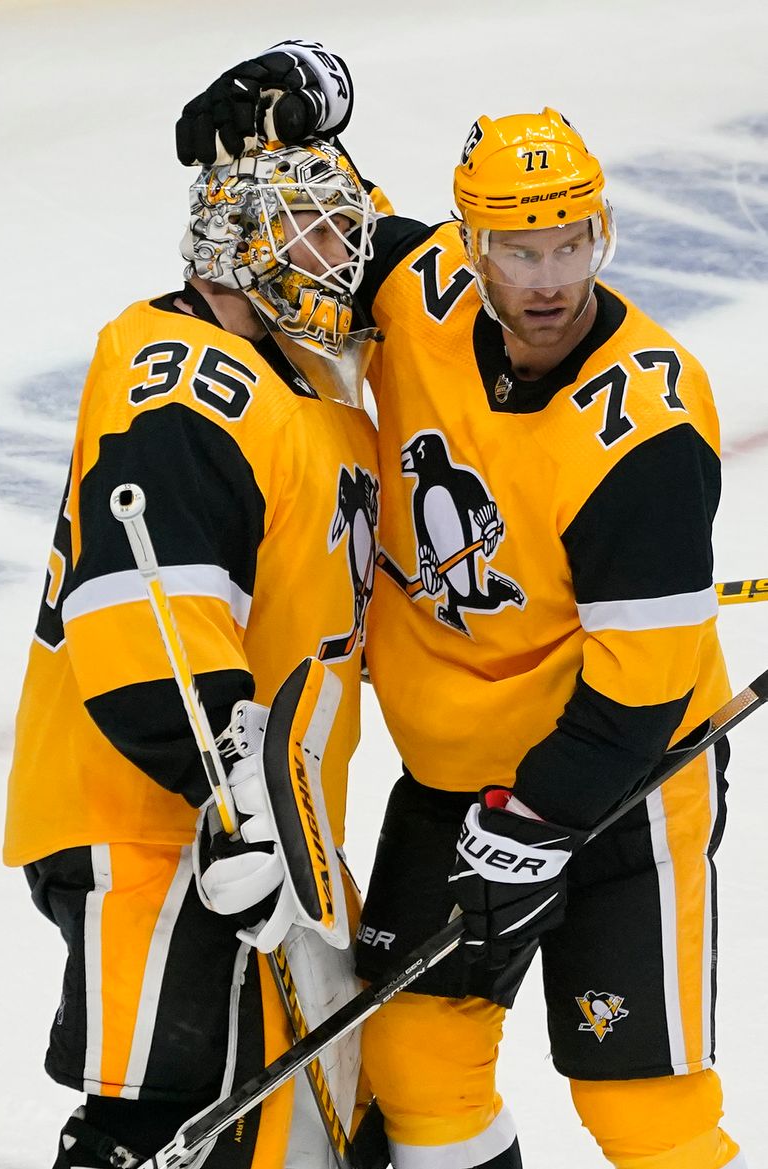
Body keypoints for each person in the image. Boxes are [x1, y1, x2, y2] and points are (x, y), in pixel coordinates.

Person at [175, 41, 747, 1169]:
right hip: (452, 783)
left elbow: (643, 686)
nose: (548, 279)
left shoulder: (645, 431)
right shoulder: (420, 289)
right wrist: (280, 116)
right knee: (415, 1059)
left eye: (570, 242)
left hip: (628, 787)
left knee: (640, 1100)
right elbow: (312, 227)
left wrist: (532, 830)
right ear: (468, 246)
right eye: (517, 249)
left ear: (603, 233)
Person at [4, 121, 382, 1168]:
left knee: (273, 1130)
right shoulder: (189, 378)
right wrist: (233, 804)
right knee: (158, 1122)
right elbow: (143, 606)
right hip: (163, 821)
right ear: (239, 247)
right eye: (312, 234)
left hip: (248, 819)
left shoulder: (316, 393)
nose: (341, 257)